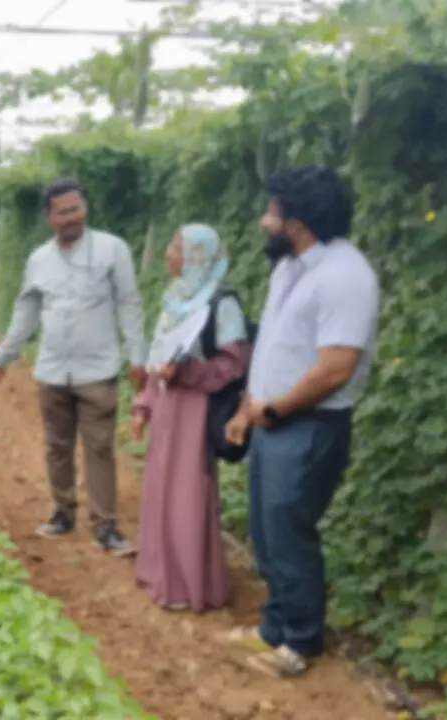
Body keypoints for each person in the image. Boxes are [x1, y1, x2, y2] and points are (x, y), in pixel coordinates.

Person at [222, 166, 379, 678]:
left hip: (308, 427)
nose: (265, 221)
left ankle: (301, 642)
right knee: (267, 532)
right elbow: (273, 348)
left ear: (297, 221)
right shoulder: (290, 269)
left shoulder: (346, 276)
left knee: (290, 533)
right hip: (271, 419)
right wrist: (249, 407)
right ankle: (273, 628)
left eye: (272, 212)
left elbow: (335, 368)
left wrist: (274, 410)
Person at [0, 178, 147, 555]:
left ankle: (105, 526)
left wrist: (137, 357)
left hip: (97, 370)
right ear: (49, 217)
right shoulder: (39, 259)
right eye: (63, 211)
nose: (73, 216)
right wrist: (4, 356)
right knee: (57, 447)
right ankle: (62, 512)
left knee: (100, 447)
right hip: (53, 370)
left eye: (77, 208)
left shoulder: (112, 249)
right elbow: (26, 309)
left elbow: (129, 303)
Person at [130, 224, 252, 612]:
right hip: (168, 407)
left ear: (198, 256)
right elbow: (158, 356)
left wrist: (188, 373)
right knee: (160, 488)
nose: (168, 253)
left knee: (187, 492)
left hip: (194, 410)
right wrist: (143, 405)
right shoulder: (176, 299)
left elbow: (234, 363)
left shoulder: (221, 303)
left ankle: (189, 584)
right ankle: (160, 574)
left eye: (176, 246)